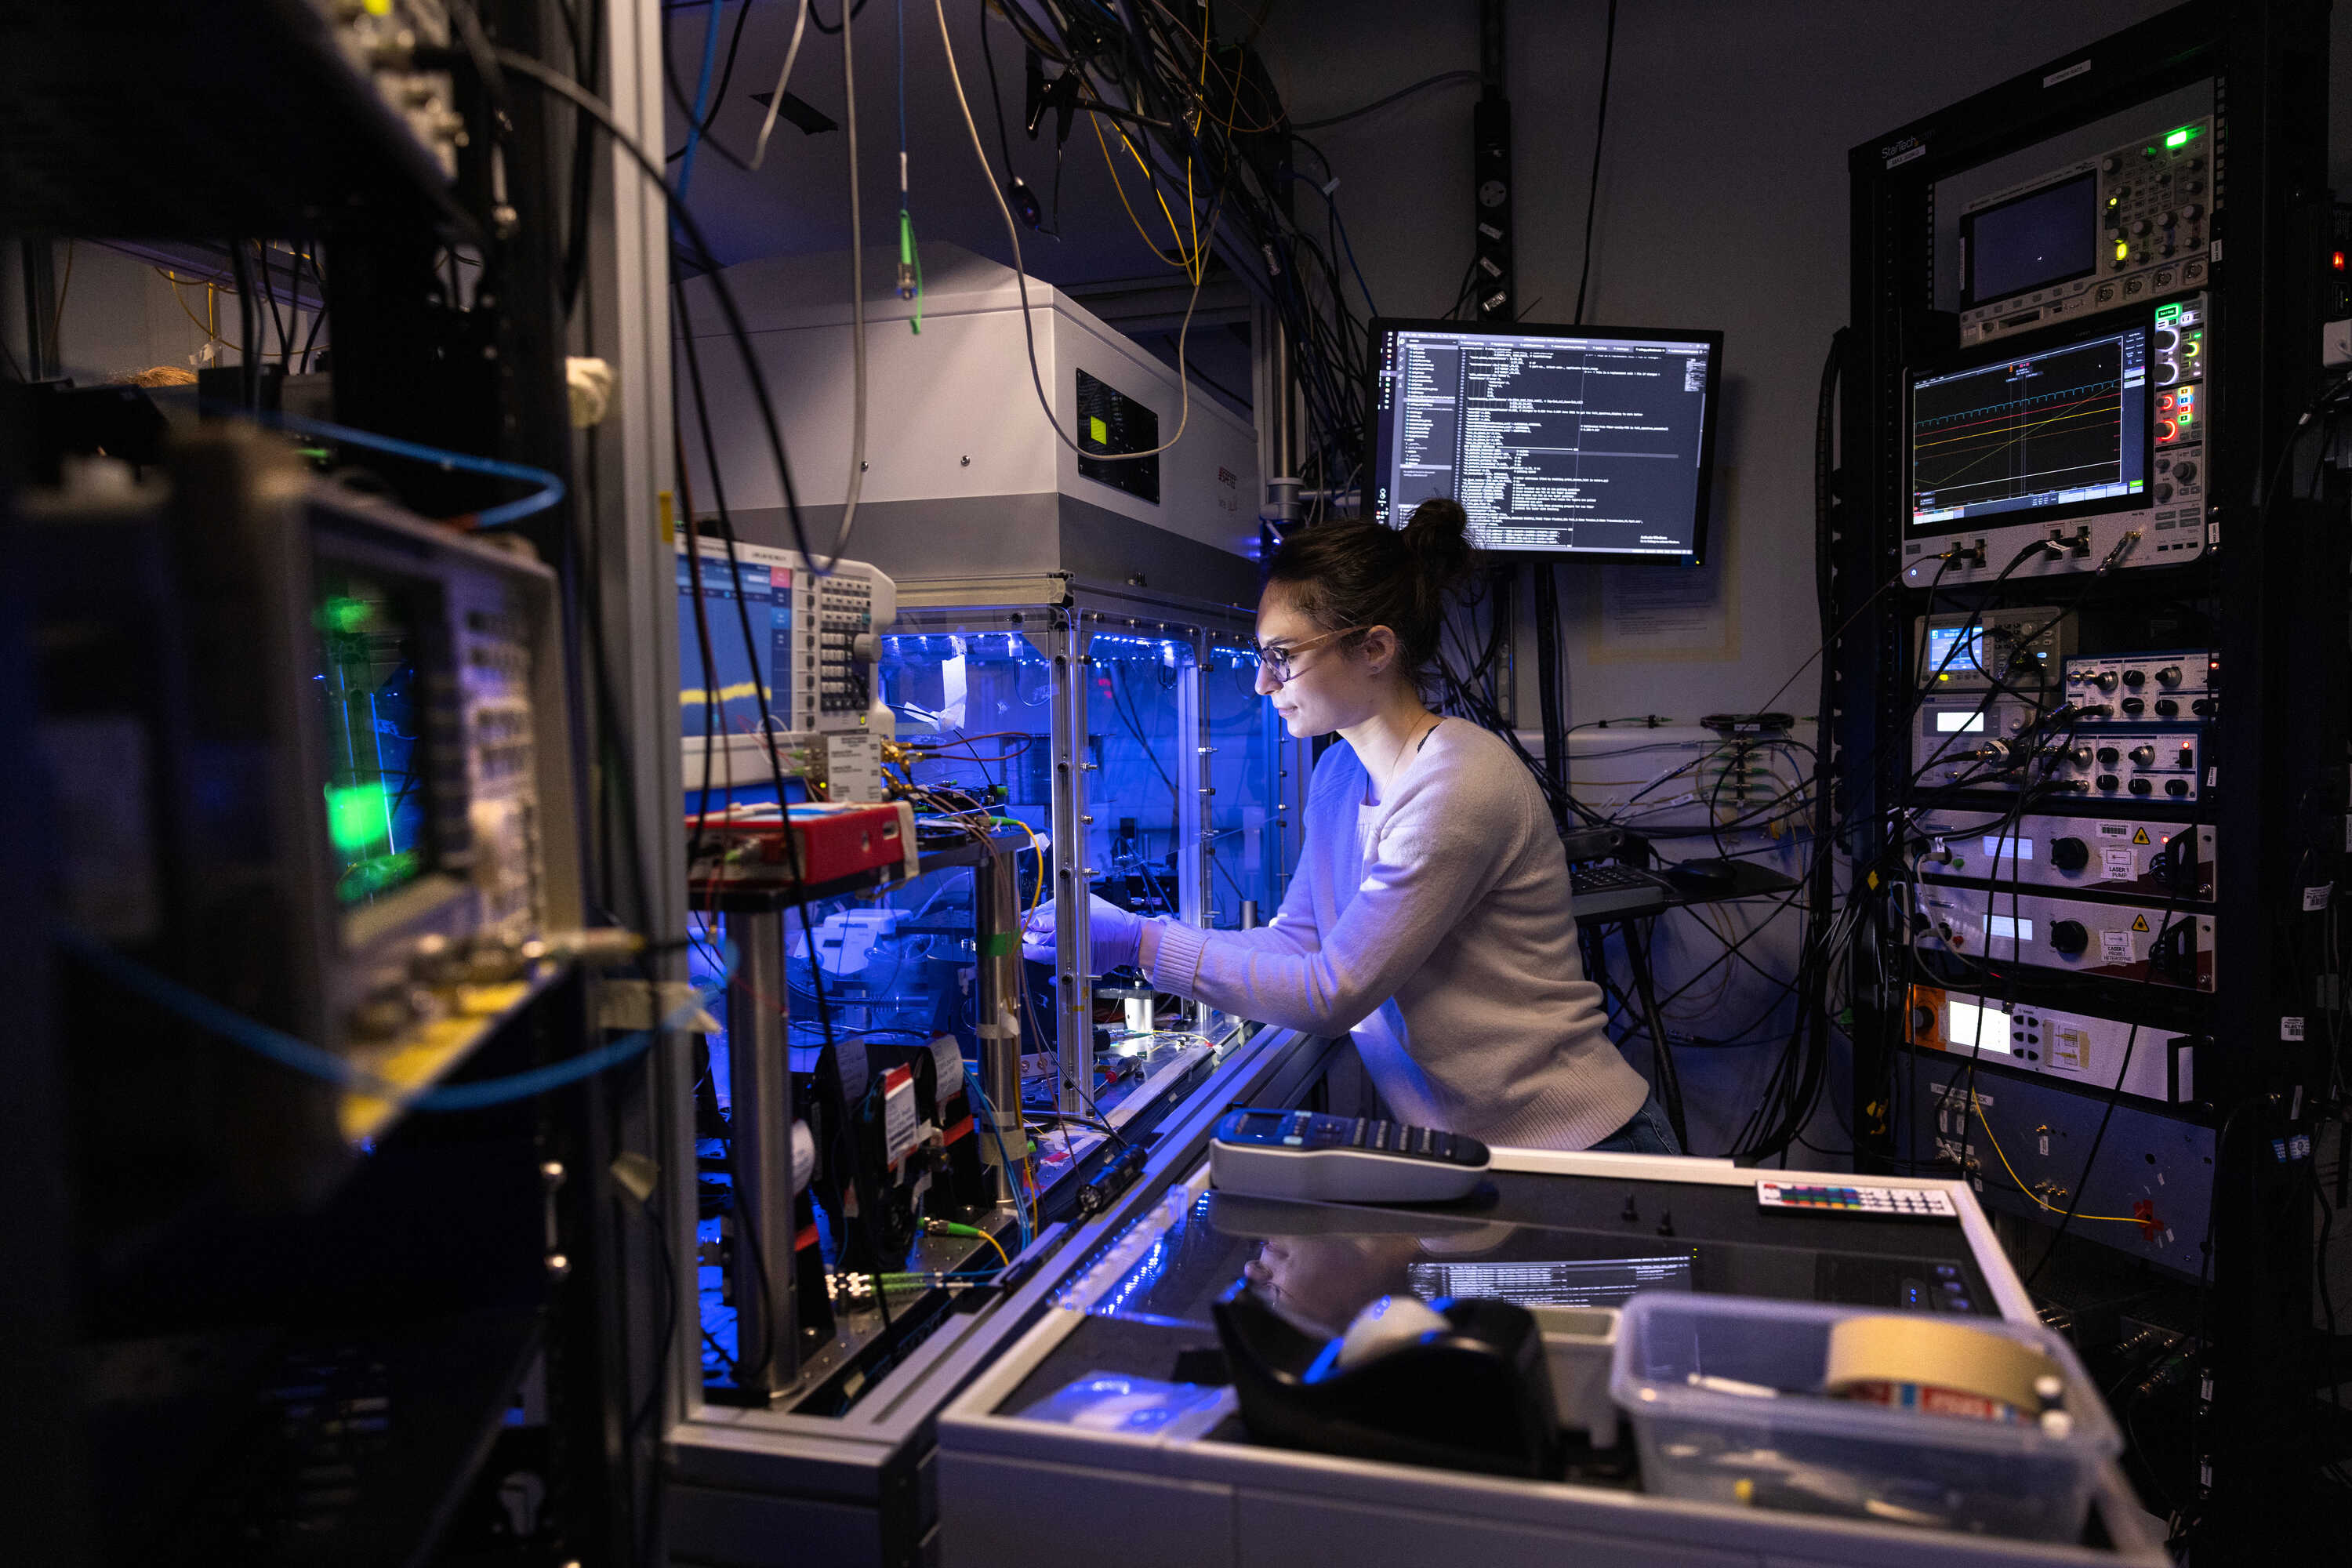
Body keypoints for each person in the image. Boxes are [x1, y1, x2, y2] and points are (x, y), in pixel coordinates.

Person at [1022, 498, 1681, 1155]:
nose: (1261, 683)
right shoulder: (1340, 774)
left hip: (1582, 1144)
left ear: (1374, 648)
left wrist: (1139, 942)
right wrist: (1131, 937)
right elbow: (1299, 943)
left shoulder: (1460, 781)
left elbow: (1330, 993)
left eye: (1281, 656)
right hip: (1476, 1149)